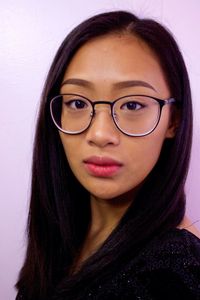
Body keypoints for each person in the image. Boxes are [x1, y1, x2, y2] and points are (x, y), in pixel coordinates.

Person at [15, 10, 200, 300]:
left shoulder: (172, 275)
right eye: (77, 102)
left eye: (132, 106)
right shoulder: (64, 233)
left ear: (173, 121)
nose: (100, 134)